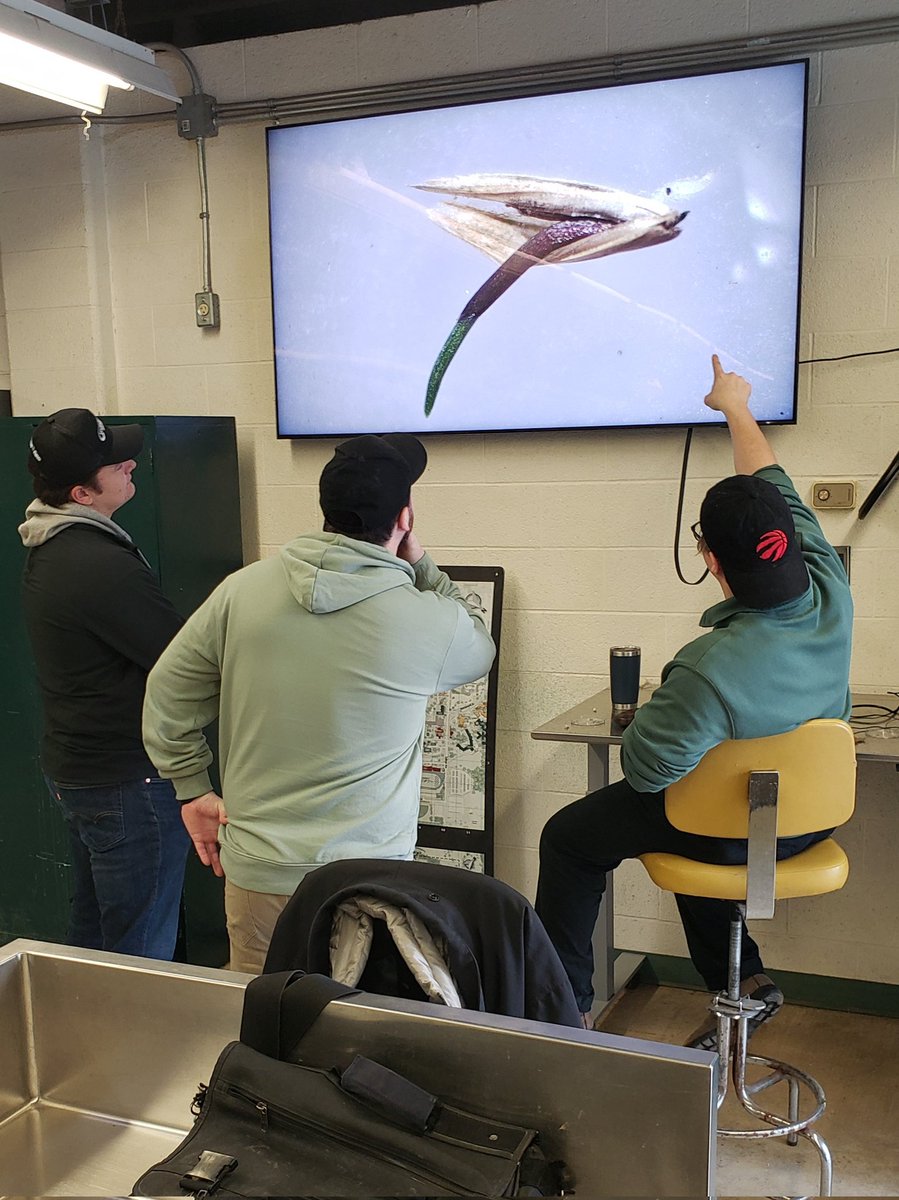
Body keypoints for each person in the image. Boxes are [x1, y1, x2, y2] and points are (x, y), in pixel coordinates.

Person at [536, 355, 853, 1046]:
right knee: (704, 810)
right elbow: (770, 478)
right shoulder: (829, 584)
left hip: (729, 825)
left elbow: (648, 773)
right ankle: (743, 981)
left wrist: (662, 708)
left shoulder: (708, 669)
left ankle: (565, 1013)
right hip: (807, 822)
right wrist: (734, 404)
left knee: (571, 837)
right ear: (787, 540)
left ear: (709, 560)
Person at [142, 433, 496, 974]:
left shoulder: (242, 591)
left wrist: (193, 789)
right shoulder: (429, 620)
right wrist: (422, 564)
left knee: (264, 1031)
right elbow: (480, 645)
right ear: (404, 517)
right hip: (368, 885)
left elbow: (167, 693)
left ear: (326, 511)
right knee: (361, 1033)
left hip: (259, 875)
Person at [20, 408, 189, 959]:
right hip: (127, 782)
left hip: (85, 771)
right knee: (139, 950)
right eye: (117, 463)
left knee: (96, 936)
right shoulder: (95, 562)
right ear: (81, 492)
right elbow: (180, 657)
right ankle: (134, 1045)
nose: (130, 463)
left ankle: (81, 1039)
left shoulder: (54, 543)